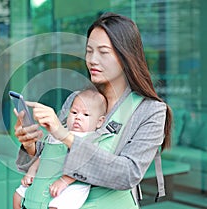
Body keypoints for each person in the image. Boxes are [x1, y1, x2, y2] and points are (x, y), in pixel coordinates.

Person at [13, 12, 172, 209]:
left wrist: (64, 135)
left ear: (126, 56)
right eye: (89, 51)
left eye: (103, 52)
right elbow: (53, 159)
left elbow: (127, 174)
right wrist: (31, 146)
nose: (92, 60)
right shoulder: (78, 99)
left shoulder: (150, 111)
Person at [13, 88, 108, 209]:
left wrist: (64, 181)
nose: (78, 117)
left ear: (99, 122)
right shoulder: (59, 132)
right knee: (17, 196)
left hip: (71, 185)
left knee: (58, 205)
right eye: (74, 112)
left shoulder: (91, 139)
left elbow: (85, 162)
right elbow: (45, 154)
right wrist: (32, 171)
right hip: (46, 177)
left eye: (86, 114)